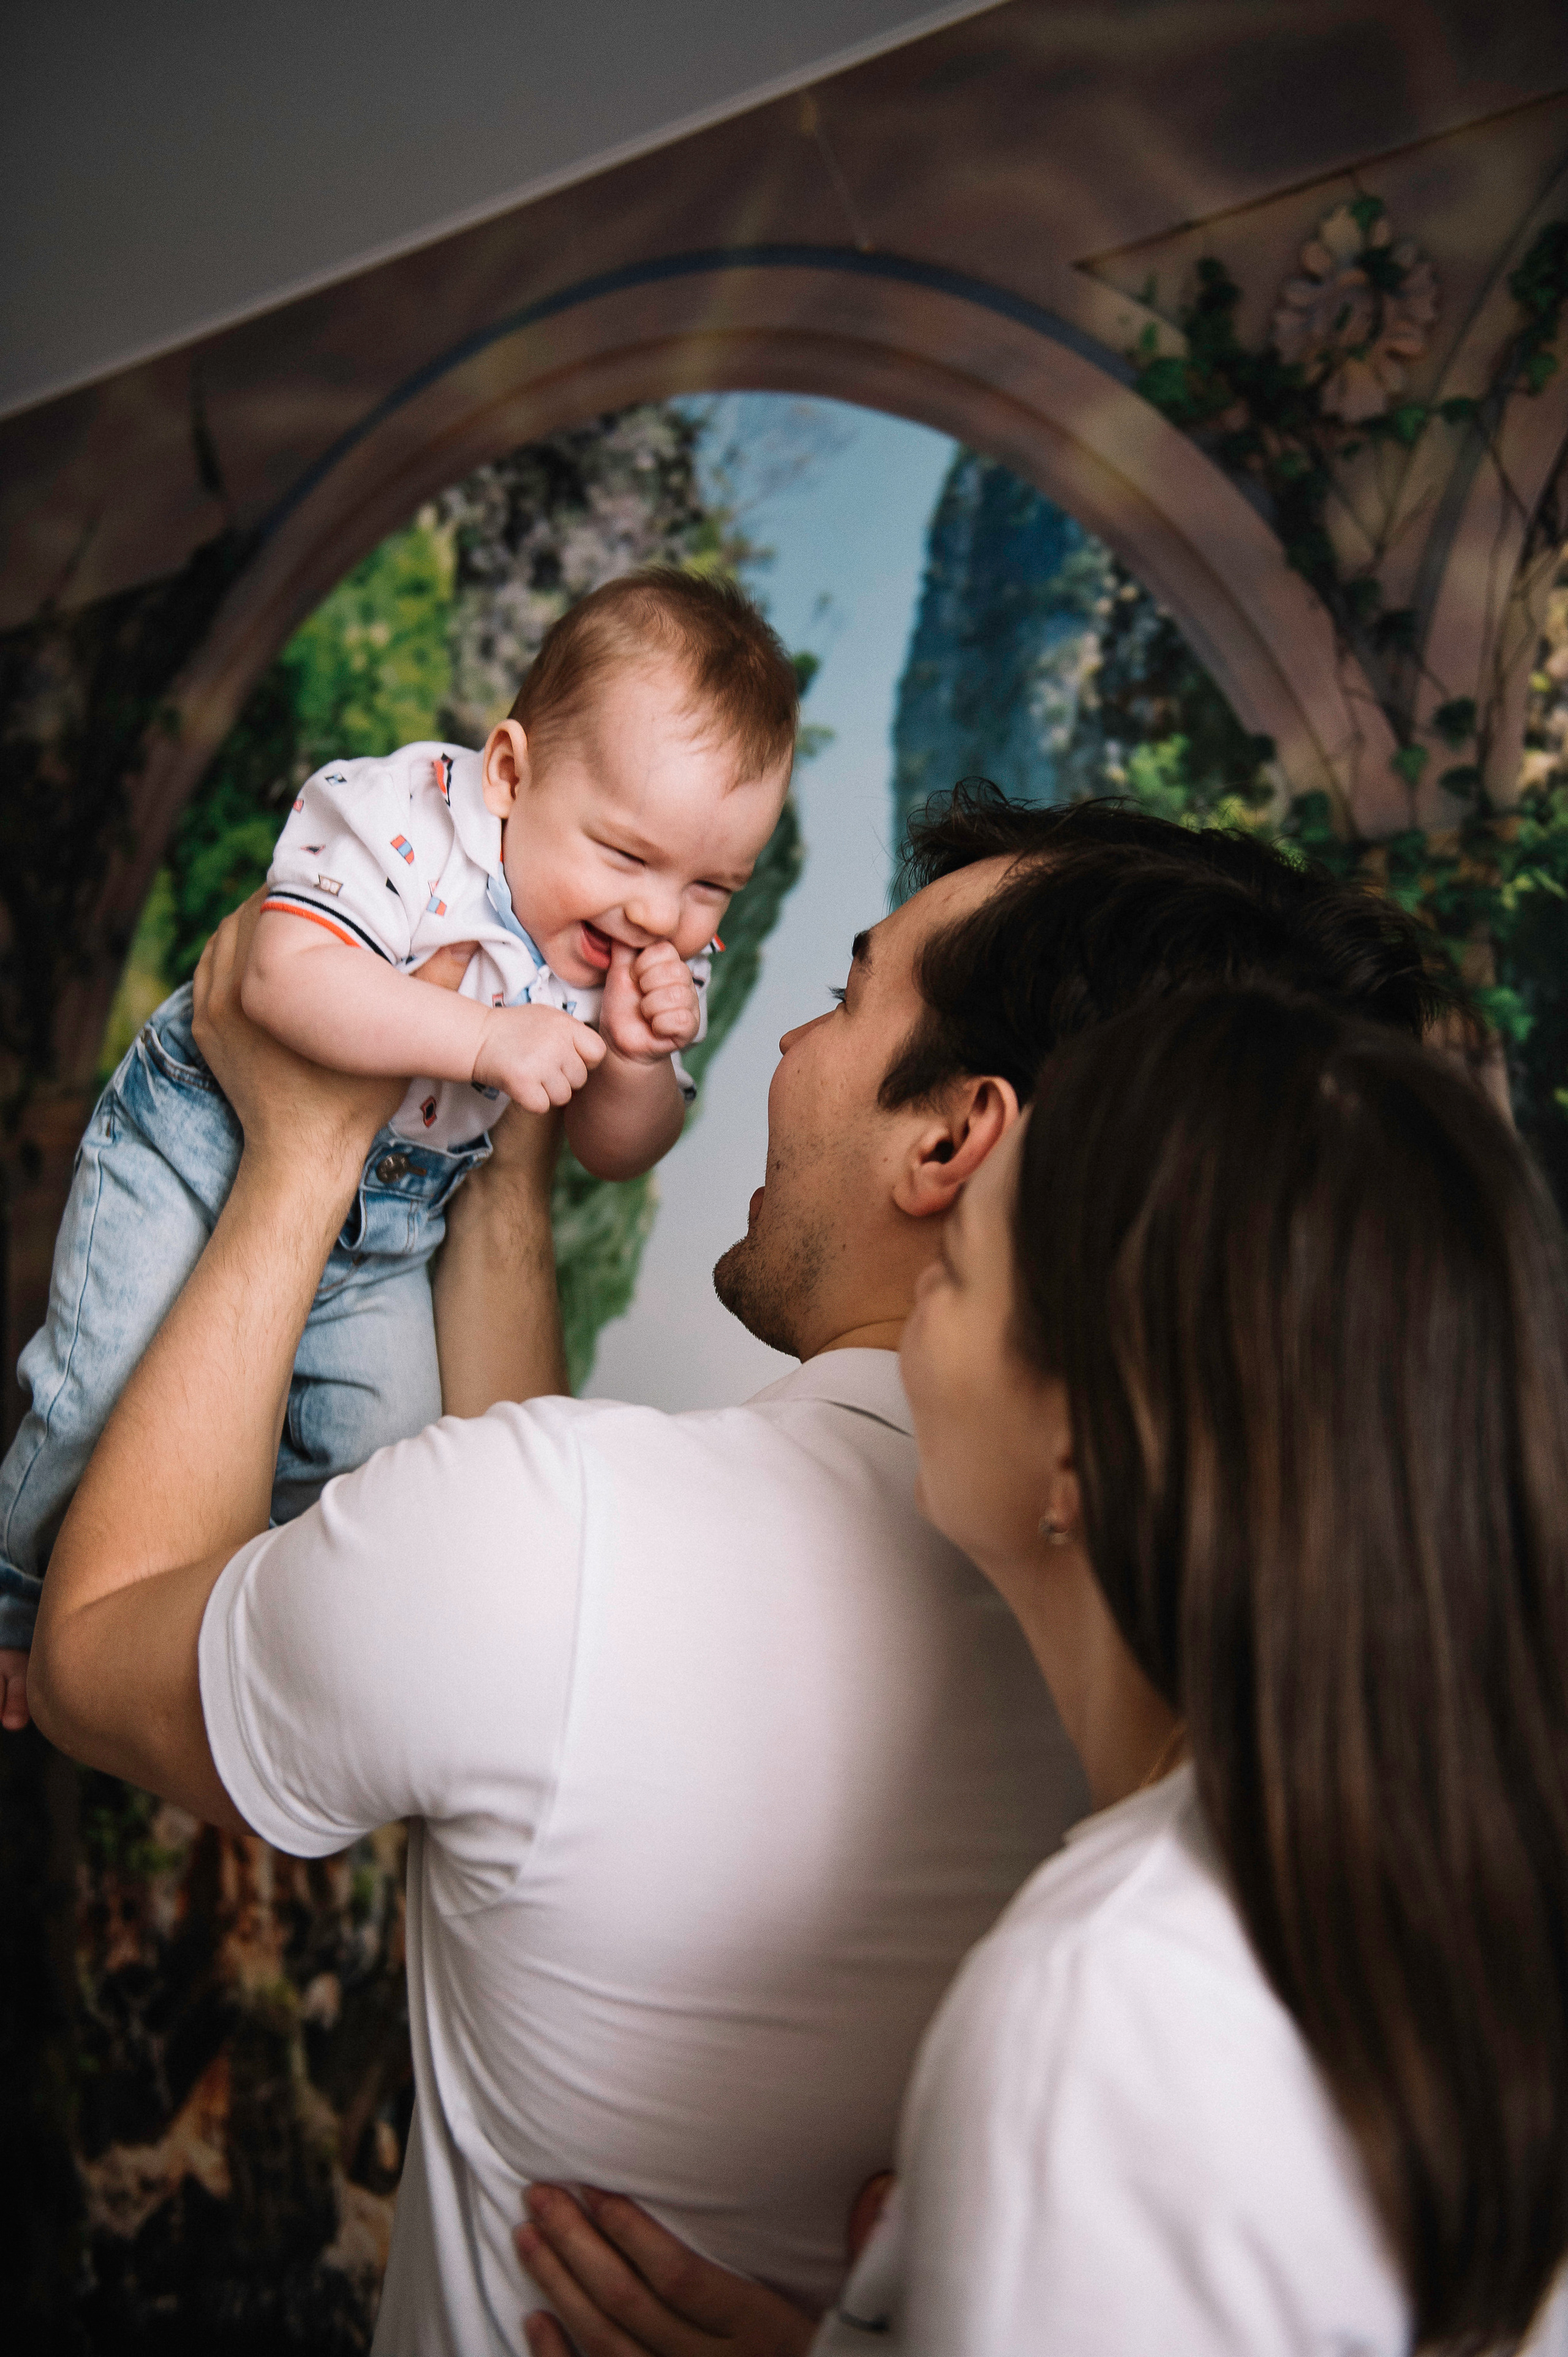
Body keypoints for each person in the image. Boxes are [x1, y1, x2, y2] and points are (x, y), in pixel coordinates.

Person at [28, 789, 1452, 2356]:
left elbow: (94, 1654)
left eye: (844, 997)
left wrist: (299, 1155)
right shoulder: (1292, 1746)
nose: (777, 1044)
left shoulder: (1092, 1981)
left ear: (955, 1138)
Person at [513, 988, 1568, 2356]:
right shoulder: (1453, 1902)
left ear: (1079, 1448)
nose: (917, 1299)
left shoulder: (1098, 2019)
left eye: (954, 1276)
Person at [0, 567, 797, 1730]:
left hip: (391, 1232)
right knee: (94, 1383)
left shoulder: (661, 957)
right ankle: (19, 1597)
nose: (659, 916)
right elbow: (279, 978)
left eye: (711, 884)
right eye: (626, 858)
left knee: (390, 1463)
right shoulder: (413, 818)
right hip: (200, 1139)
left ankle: (236, 1623)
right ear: (511, 773)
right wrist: (484, 1037)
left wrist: (630, 1060)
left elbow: (621, 1150)